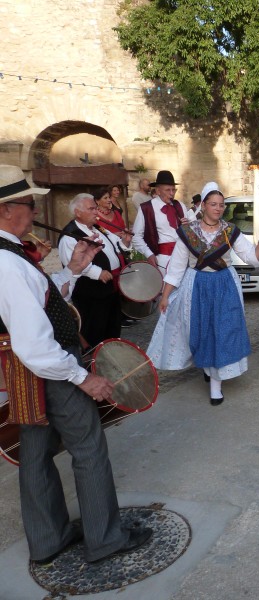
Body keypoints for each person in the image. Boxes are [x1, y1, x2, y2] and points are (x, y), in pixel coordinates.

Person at [0, 165, 151, 564]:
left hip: (26, 371)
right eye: (30, 205)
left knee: (34, 453)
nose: (35, 212)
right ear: (5, 211)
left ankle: (49, 539)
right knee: (87, 444)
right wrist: (82, 377)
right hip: (49, 368)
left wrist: (72, 270)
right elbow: (34, 340)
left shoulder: (9, 256)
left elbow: (40, 305)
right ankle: (105, 537)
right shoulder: (9, 263)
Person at [147, 183, 259, 405]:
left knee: (222, 332)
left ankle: (216, 385)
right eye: (213, 204)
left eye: (221, 205)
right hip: (198, 286)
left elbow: (251, 256)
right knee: (202, 331)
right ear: (202, 205)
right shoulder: (187, 232)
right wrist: (165, 296)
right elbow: (176, 267)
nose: (218, 208)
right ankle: (207, 366)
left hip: (225, 286)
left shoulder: (230, 231)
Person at [58, 193, 131, 349]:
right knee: (94, 333)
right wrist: (97, 273)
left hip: (109, 290)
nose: (96, 212)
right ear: (78, 212)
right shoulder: (70, 235)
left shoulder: (98, 228)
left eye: (95, 208)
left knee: (112, 330)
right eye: (91, 209)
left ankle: (109, 362)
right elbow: (70, 262)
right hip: (90, 295)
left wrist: (124, 242)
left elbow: (115, 243)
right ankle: (92, 367)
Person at [131, 170, 194, 273]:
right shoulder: (147, 208)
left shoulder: (180, 206)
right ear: (158, 191)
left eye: (174, 190)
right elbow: (136, 236)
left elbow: (191, 233)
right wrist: (148, 253)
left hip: (183, 257)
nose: (172, 194)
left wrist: (188, 227)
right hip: (162, 260)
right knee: (165, 288)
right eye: (168, 190)